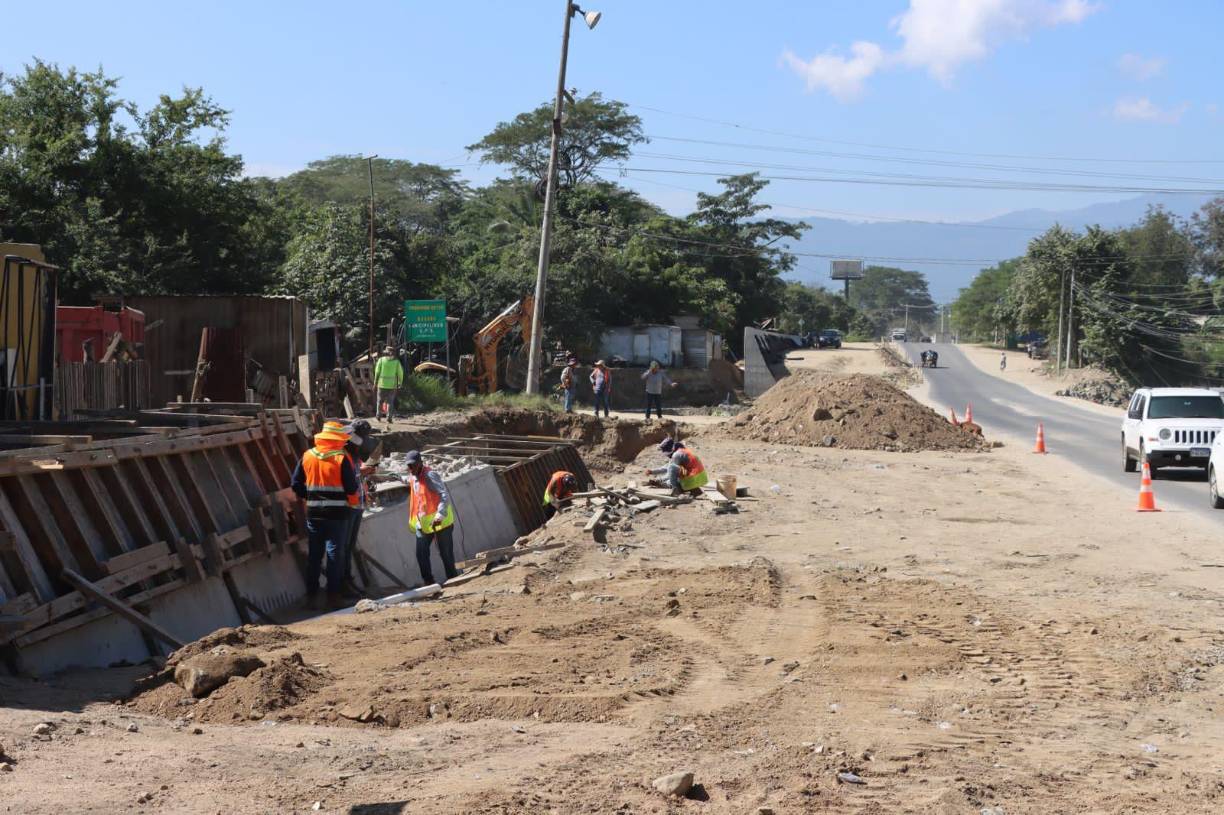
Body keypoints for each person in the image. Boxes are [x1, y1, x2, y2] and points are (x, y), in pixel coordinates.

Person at [291, 422, 360, 609]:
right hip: (338, 515)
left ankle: (311, 596)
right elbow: (352, 488)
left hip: (314, 514)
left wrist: (311, 496)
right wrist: (353, 504)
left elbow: (295, 484)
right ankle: (333, 596)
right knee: (334, 555)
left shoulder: (307, 456)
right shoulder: (341, 458)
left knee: (314, 556)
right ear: (337, 440)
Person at [404, 450, 458, 586]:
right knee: (421, 553)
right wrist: (392, 477)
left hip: (441, 522)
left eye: (413, 465)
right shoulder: (413, 476)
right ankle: (429, 582)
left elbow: (443, 495)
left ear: (420, 463)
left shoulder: (430, 475)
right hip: (424, 524)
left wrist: (440, 514)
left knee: (445, 553)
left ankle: (453, 580)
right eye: (408, 466)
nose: (410, 468)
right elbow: (408, 481)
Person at [340, 419, 377, 598]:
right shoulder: (344, 452)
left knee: (348, 545)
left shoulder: (354, 454)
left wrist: (365, 470)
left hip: (357, 505)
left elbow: (357, 469)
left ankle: (347, 581)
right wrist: (363, 472)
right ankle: (344, 583)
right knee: (344, 546)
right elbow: (348, 476)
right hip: (348, 506)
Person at [373, 345, 404, 425]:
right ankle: (389, 418)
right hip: (392, 386)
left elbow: (377, 372)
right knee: (390, 402)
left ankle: (378, 417)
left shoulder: (381, 360)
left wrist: (375, 383)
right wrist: (400, 383)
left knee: (379, 401)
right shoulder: (396, 362)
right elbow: (400, 373)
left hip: (382, 384)